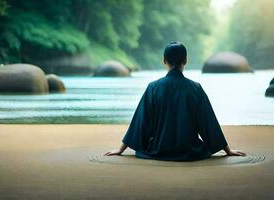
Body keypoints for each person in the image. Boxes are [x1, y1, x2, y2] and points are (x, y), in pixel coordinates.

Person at [104, 42, 246, 161]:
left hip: (158, 149)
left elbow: (141, 122)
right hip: (190, 150)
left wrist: (121, 149)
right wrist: (227, 150)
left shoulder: (153, 87)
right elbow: (208, 122)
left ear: (164, 60)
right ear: (185, 61)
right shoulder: (195, 88)